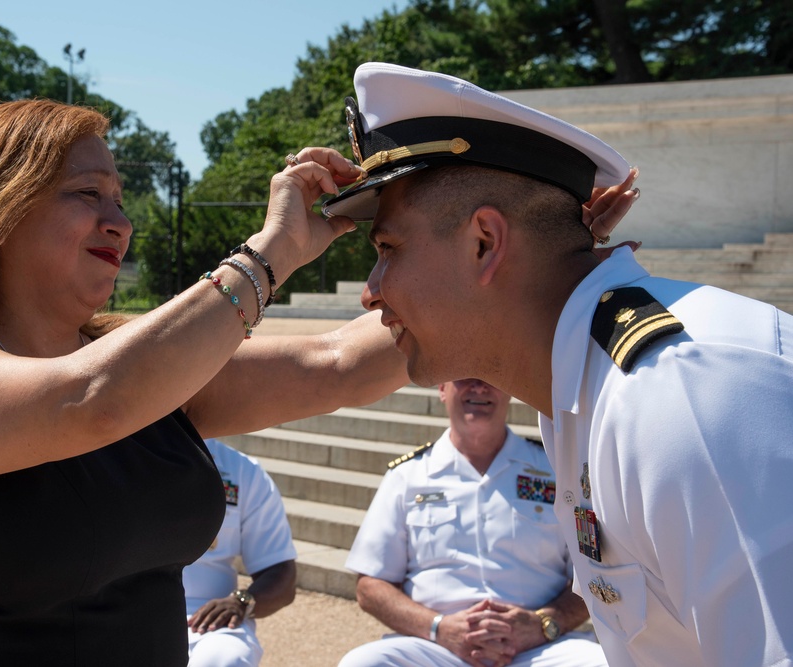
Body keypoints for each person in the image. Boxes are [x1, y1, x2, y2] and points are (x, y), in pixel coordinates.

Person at [0, 98, 635, 667]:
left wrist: (532, 255)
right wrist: (272, 251)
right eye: (86, 194)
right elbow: (89, 400)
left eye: (120, 197)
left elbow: (342, 360)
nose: (119, 222)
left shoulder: (147, 371)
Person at [323, 62, 793, 667]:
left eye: (387, 249)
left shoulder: (679, 393)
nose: (371, 290)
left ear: (485, 244)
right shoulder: (589, 386)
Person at [340, 379, 607, 667]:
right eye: (465, 377)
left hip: (537, 648)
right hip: (437, 648)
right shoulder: (408, 476)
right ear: (442, 388)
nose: (479, 388)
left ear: (510, 390)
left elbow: (595, 571)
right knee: (362, 663)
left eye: (491, 379)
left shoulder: (556, 471)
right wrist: (439, 627)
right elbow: (371, 584)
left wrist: (544, 622)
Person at [184, 438, 297, 667]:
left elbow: (279, 570)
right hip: (123, 609)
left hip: (206, 619)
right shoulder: (113, 454)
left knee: (228, 658)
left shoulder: (242, 471)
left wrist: (241, 601)